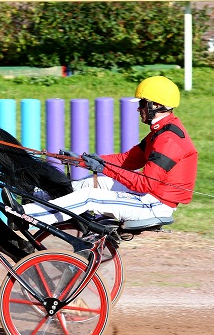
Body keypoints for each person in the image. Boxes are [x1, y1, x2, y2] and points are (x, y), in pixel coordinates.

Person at [23, 75, 198, 227]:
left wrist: (102, 168)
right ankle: (39, 197)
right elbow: (128, 160)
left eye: (143, 103)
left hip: (154, 204)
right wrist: (81, 161)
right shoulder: (162, 131)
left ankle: (27, 214)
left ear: (157, 105)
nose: (139, 109)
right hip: (149, 196)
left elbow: (146, 183)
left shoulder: (168, 140)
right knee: (92, 184)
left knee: (89, 197)